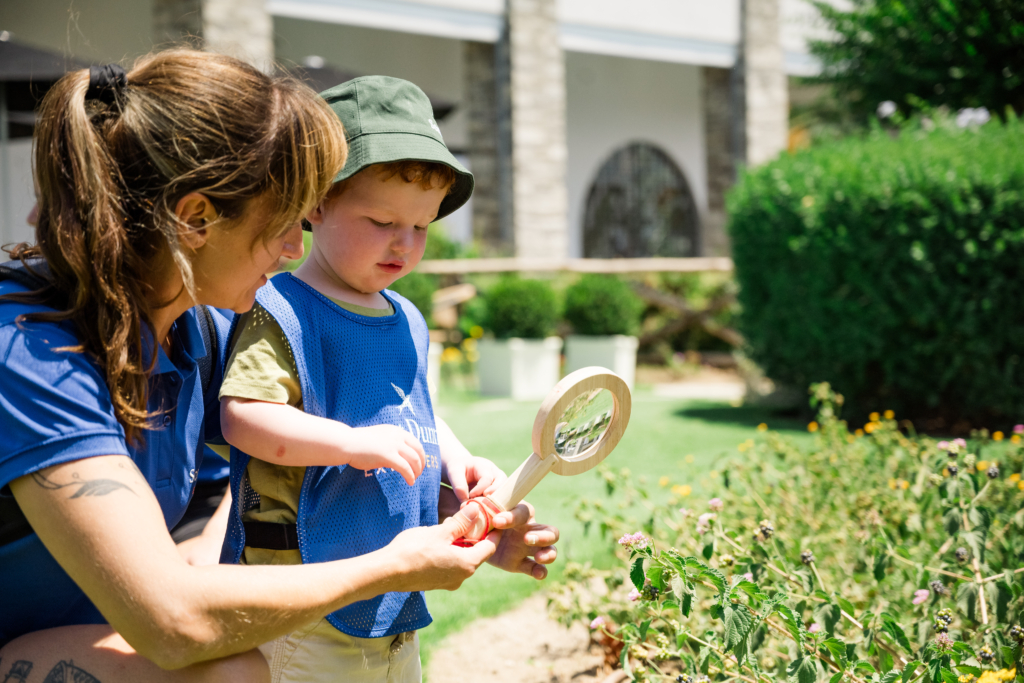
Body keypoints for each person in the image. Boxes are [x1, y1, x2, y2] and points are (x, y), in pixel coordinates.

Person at [0, 50, 558, 683]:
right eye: (282, 221)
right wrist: (394, 568)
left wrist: (458, 517)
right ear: (196, 219)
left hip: (97, 627)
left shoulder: (195, 329)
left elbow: (257, 476)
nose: (297, 246)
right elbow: (176, 625)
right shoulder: (31, 354)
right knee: (231, 672)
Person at [217, 75, 506, 683]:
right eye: (381, 221)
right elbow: (244, 416)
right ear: (317, 204)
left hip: (393, 589)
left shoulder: (406, 318)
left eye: (422, 227)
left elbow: (409, 411)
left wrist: (457, 460)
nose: (404, 243)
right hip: (302, 595)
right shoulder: (282, 307)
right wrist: (348, 444)